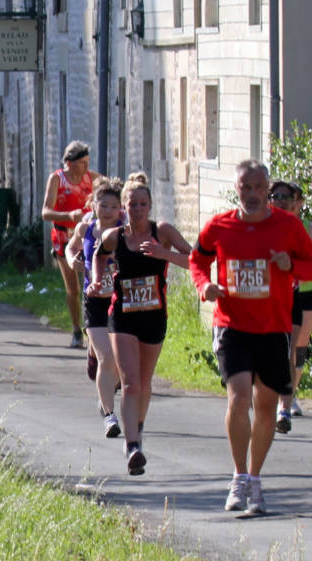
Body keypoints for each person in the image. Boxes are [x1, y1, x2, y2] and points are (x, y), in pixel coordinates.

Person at [190, 160, 312, 513]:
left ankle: (256, 478)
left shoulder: (289, 226)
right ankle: (238, 478)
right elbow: (197, 260)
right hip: (232, 324)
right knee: (238, 398)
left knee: (265, 406)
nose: (251, 194)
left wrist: (289, 266)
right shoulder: (219, 226)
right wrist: (205, 286)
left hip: (273, 327)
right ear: (237, 189)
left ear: (267, 190)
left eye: (258, 188)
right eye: (245, 187)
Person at [91, 173, 191, 475]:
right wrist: (98, 281)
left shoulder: (163, 231)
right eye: (132, 204)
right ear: (124, 207)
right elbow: (99, 256)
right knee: (131, 382)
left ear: (150, 206)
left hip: (153, 316)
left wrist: (164, 254)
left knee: (144, 384)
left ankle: (137, 425)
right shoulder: (115, 236)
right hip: (121, 316)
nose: (137, 209)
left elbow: (195, 259)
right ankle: (133, 446)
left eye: (143, 204)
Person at [67, 178, 127, 438]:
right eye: (103, 205)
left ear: (120, 209)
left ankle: (105, 396)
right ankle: (110, 416)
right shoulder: (86, 229)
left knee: (119, 365)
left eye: (114, 206)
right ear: (93, 204)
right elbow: (70, 248)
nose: (108, 210)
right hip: (95, 300)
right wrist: (73, 262)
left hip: (122, 301)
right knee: (107, 358)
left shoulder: (126, 231)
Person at [270, 179, 312, 430]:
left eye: (289, 197)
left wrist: (295, 266)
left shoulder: (307, 229)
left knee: (296, 348)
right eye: (278, 196)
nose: (284, 202)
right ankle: (276, 394)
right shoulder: (263, 225)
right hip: (272, 293)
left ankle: (289, 397)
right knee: (280, 349)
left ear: (298, 202)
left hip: (303, 292)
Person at [42, 141, 104, 349]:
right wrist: (69, 215)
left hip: (88, 236)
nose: (85, 167)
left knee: (94, 281)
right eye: (81, 163)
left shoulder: (93, 179)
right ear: (69, 163)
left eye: (87, 162)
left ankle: (94, 326)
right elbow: (45, 212)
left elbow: (110, 194)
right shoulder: (57, 179)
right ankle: (77, 329)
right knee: (73, 287)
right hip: (63, 235)